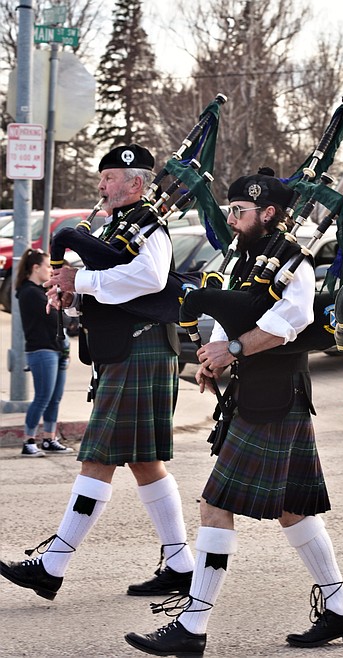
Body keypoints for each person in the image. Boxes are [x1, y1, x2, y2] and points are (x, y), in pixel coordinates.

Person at [124, 170, 343, 657]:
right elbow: (232, 314)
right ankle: (342, 609)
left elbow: (287, 325)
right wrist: (215, 355)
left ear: (269, 213)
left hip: (275, 396)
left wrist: (231, 350)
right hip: (257, 394)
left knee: (216, 503)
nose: (231, 219)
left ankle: (193, 625)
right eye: (230, 209)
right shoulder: (247, 258)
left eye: (240, 211)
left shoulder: (293, 261)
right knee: (292, 509)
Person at [0, 144, 195, 601]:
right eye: (103, 177)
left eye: (109, 177)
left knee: (99, 455)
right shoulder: (121, 226)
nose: (102, 185)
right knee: (145, 462)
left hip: (140, 347)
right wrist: (74, 294)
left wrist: (80, 281)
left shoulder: (150, 225)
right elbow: (115, 278)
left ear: (136, 182)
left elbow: (149, 278)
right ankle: (181, 564)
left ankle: (53, 565)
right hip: (128, 348)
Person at [15, 248, 72, 457]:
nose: (51, 270)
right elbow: (54, 318)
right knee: (43, 397)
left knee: (55, 397)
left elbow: (61, 318)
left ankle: (49, 438)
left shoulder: (39, 291)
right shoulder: (29, 292)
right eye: (48, 266)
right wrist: (65, 314)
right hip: (41, 350)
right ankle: (28, 441)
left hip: (56, 349)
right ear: (35, 268)